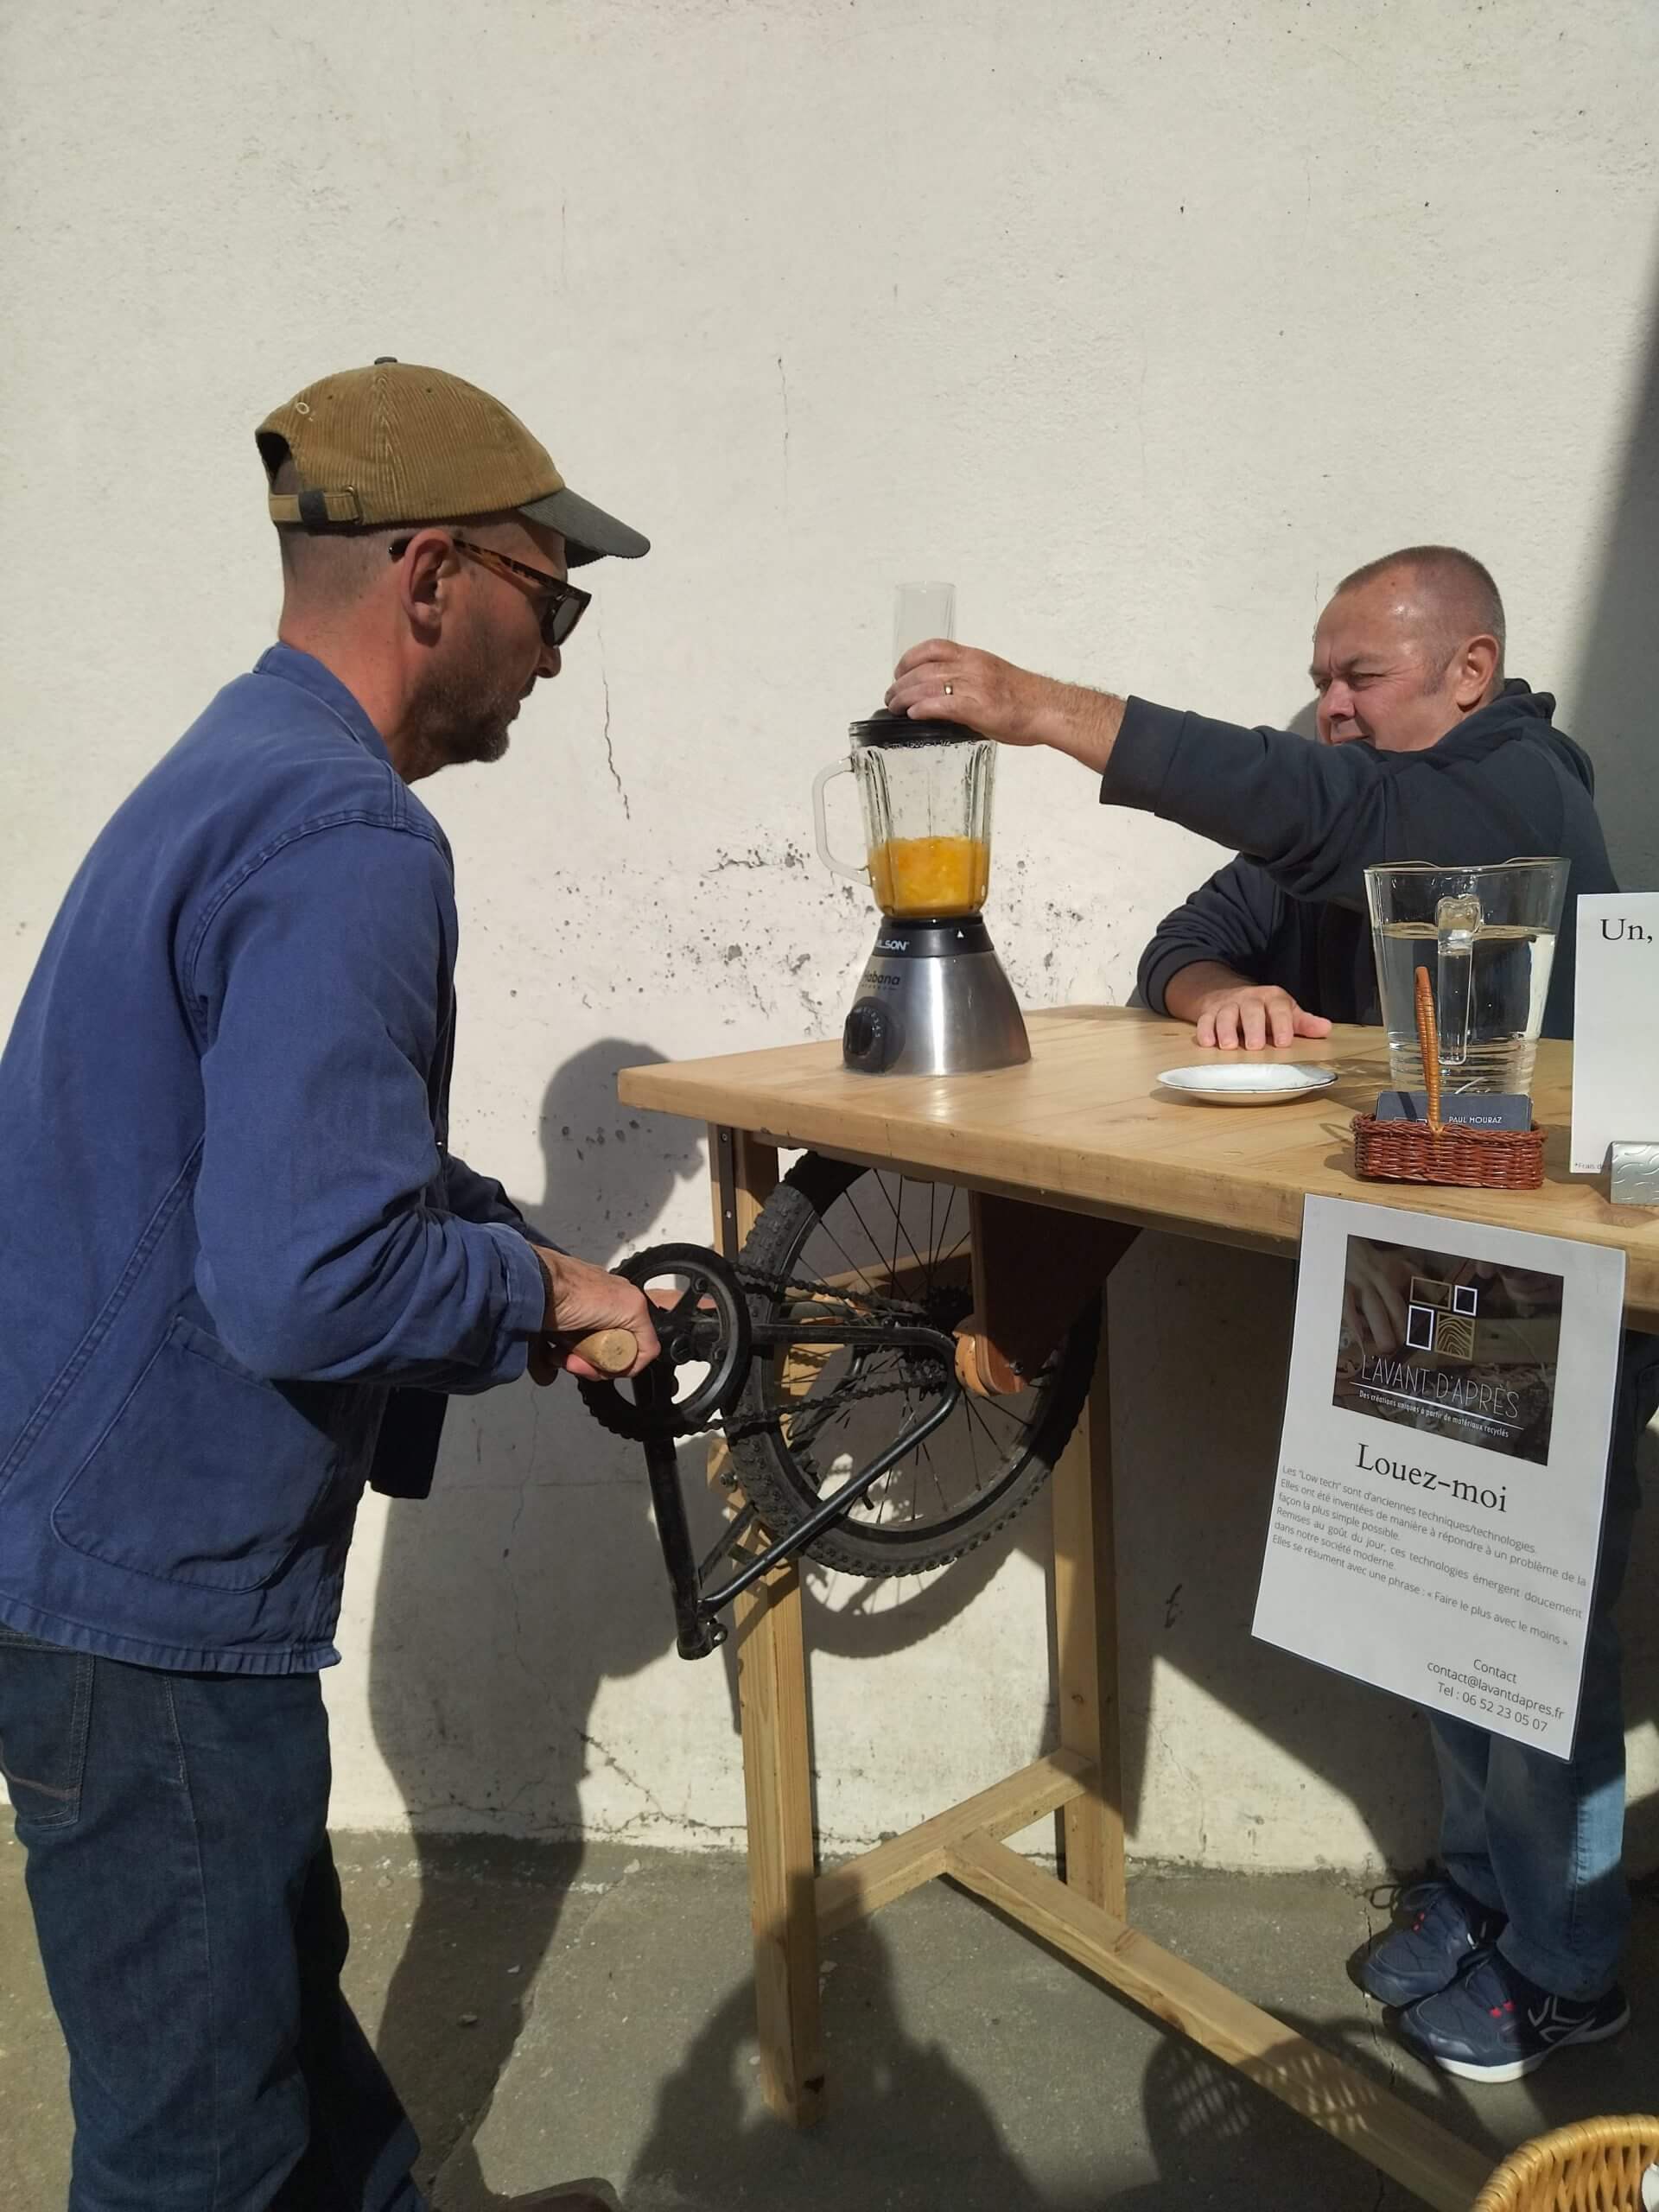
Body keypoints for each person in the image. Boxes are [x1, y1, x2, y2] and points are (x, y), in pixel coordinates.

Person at [0, 359, 661, 2212]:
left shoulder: (232, 764)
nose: (555, 648)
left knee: (268, 2007)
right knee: (194, 2143)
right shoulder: (353, 836)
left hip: (83, 1551)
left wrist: (544, 1263)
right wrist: (538, 1301)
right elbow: (312, 1274)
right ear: (435, 571)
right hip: (142, 1592)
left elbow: (287, 1156)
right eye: (553, 594)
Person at [885, 546, 1657, 2084]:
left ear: (1470, 673)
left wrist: (1042, 709)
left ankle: (1571, 1969)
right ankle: (1483, 1895)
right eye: (1319, 677)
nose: (1328, 709)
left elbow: (1331, 818)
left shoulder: (1518, 788)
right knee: (1441, 1605)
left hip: (1556, 1290)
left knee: (1534, 1638)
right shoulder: (1360, 801)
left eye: (1357, 677)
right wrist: (1215, 991)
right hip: (1411, 1263)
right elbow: (1191, 933)